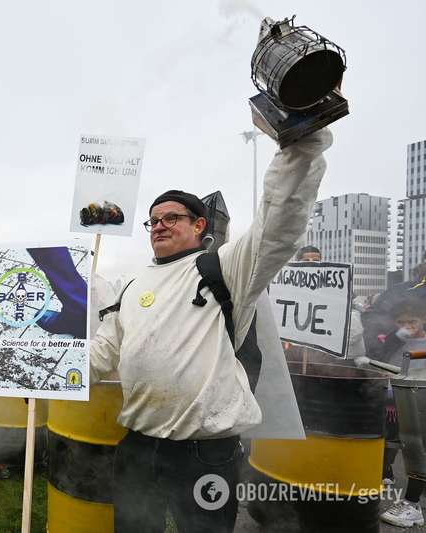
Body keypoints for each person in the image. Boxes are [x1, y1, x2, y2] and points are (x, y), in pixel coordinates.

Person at [88, 128, 333, 532]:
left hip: (205, 453)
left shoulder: (223, 268)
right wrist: (48, 376)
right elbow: (101, 354)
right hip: (138, 444)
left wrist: (299, 147)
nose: (159, 225)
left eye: (171, 217)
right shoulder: (131, 285)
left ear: (199, 224)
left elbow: (276, 229)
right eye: (153, 220)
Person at [380, 298, 426, 528]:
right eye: (401, 322)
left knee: (417, 449)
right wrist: (396, 337)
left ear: (423, 319)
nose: (407, 327)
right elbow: (381, 355)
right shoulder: (394, 339)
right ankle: (386, 473)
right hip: (396, 399)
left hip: (420, 401)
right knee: (392, 441)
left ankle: (412, 504)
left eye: (412, 322)